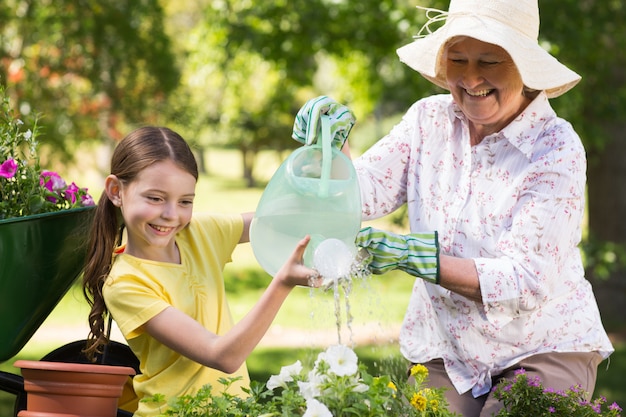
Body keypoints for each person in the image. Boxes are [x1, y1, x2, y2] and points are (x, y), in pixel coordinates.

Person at [292, 0, 614, 416]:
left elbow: (526, 279)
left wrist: (416, 256)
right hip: (447, 348)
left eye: (490, 61)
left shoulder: (555, 147)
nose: (471, 77)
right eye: (457, 59)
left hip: (544, 344)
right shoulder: (428, 120)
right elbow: (362, 194)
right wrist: (330, 149)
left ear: (524, 67)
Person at [82, 126, 321, 417]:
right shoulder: (126, 283)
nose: (171, 215)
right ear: (116, 191)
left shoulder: (199, 233)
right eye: (155, 198)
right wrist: (283, 283)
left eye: (185, 201)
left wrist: (325, 164)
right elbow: (223, 355)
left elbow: (278, 220)